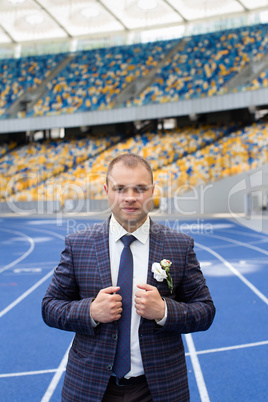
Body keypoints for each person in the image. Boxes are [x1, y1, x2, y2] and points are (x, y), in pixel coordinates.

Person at [42, 153, 215, 402]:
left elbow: (206, 311)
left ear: (153, 191)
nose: (130, 197)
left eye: (140, 188)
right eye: (120, 188)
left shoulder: (179, 245)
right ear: (106, 190)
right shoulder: (78, 244)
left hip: (159, 388)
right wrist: (89, 311)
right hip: (89, 386)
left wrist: (165, 311)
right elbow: (49, 307)